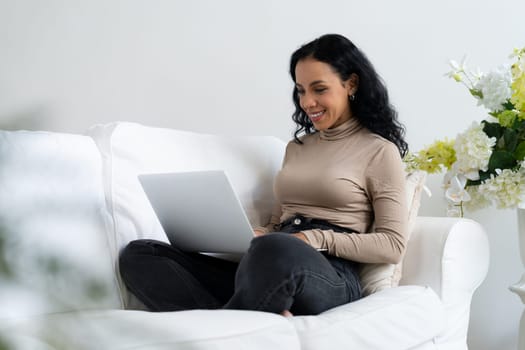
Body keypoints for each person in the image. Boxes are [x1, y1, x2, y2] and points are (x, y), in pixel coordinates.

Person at [119, 33, 409, 316]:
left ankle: (231, 324)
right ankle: (250, 315)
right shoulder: (297, 148)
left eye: (319, 89)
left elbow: (392, 244)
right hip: (268, 263)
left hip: (328, 273)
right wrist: (255, 233)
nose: (307, 102)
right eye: (301, 89)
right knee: (141, 254)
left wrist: (312, 239)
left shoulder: (379, 151)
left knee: (277, 250)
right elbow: (278, 222)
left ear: (351, 84)